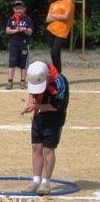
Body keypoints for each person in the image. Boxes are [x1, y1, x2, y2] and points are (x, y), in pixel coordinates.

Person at [21, 61, 69, 195]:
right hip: (39, 115)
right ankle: (36, 181)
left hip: (54, 118)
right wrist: (31, 101)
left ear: (47, 77)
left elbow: (58, 106)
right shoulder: (35, 73)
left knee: (48, 148)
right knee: (36, 146)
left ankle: (46, 183)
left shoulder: (60, 83)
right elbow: (32, 90)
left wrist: (36, 106)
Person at [5, 0, 34, 90]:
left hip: (24, 44)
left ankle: (22, 81)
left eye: (20, 8)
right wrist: (16, 30)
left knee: (24, 63)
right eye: (17, 9)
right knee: (12, 62)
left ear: (24, 9)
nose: (18, 10)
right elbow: (7, 31)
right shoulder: (11, 19)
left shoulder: (27, 19)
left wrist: (24, 29)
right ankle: (10, 81)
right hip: (13, 43)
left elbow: (30, 32)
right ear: (14, 9)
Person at [46, 0, 74, 73]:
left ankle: (57, 73)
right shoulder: (53, 4)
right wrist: (59, 17)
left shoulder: (68, 1)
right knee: (56, 54)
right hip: (51, 30)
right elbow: (48, 19)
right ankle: (57, 74)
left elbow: (65, 17)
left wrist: (54, 15)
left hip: (62, 30)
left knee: (54, 52)